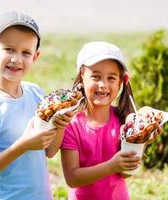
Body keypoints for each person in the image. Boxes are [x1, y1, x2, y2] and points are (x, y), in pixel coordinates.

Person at [0, 11, 74, 200]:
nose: (17, 59)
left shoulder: (36, 93)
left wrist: (60, 125)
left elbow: (49, 151)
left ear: (36, 56)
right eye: (9, 49)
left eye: (26, 52)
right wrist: (22, 146)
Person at [60, 41, 162, 200]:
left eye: (111, 78)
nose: (103, 85)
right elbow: (72, 178)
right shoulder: (71, 124)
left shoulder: (124, 123)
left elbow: (125, 173)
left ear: (121, 81)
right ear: (81, 77)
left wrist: (142, 141)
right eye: (96, 76)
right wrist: (111, 166)